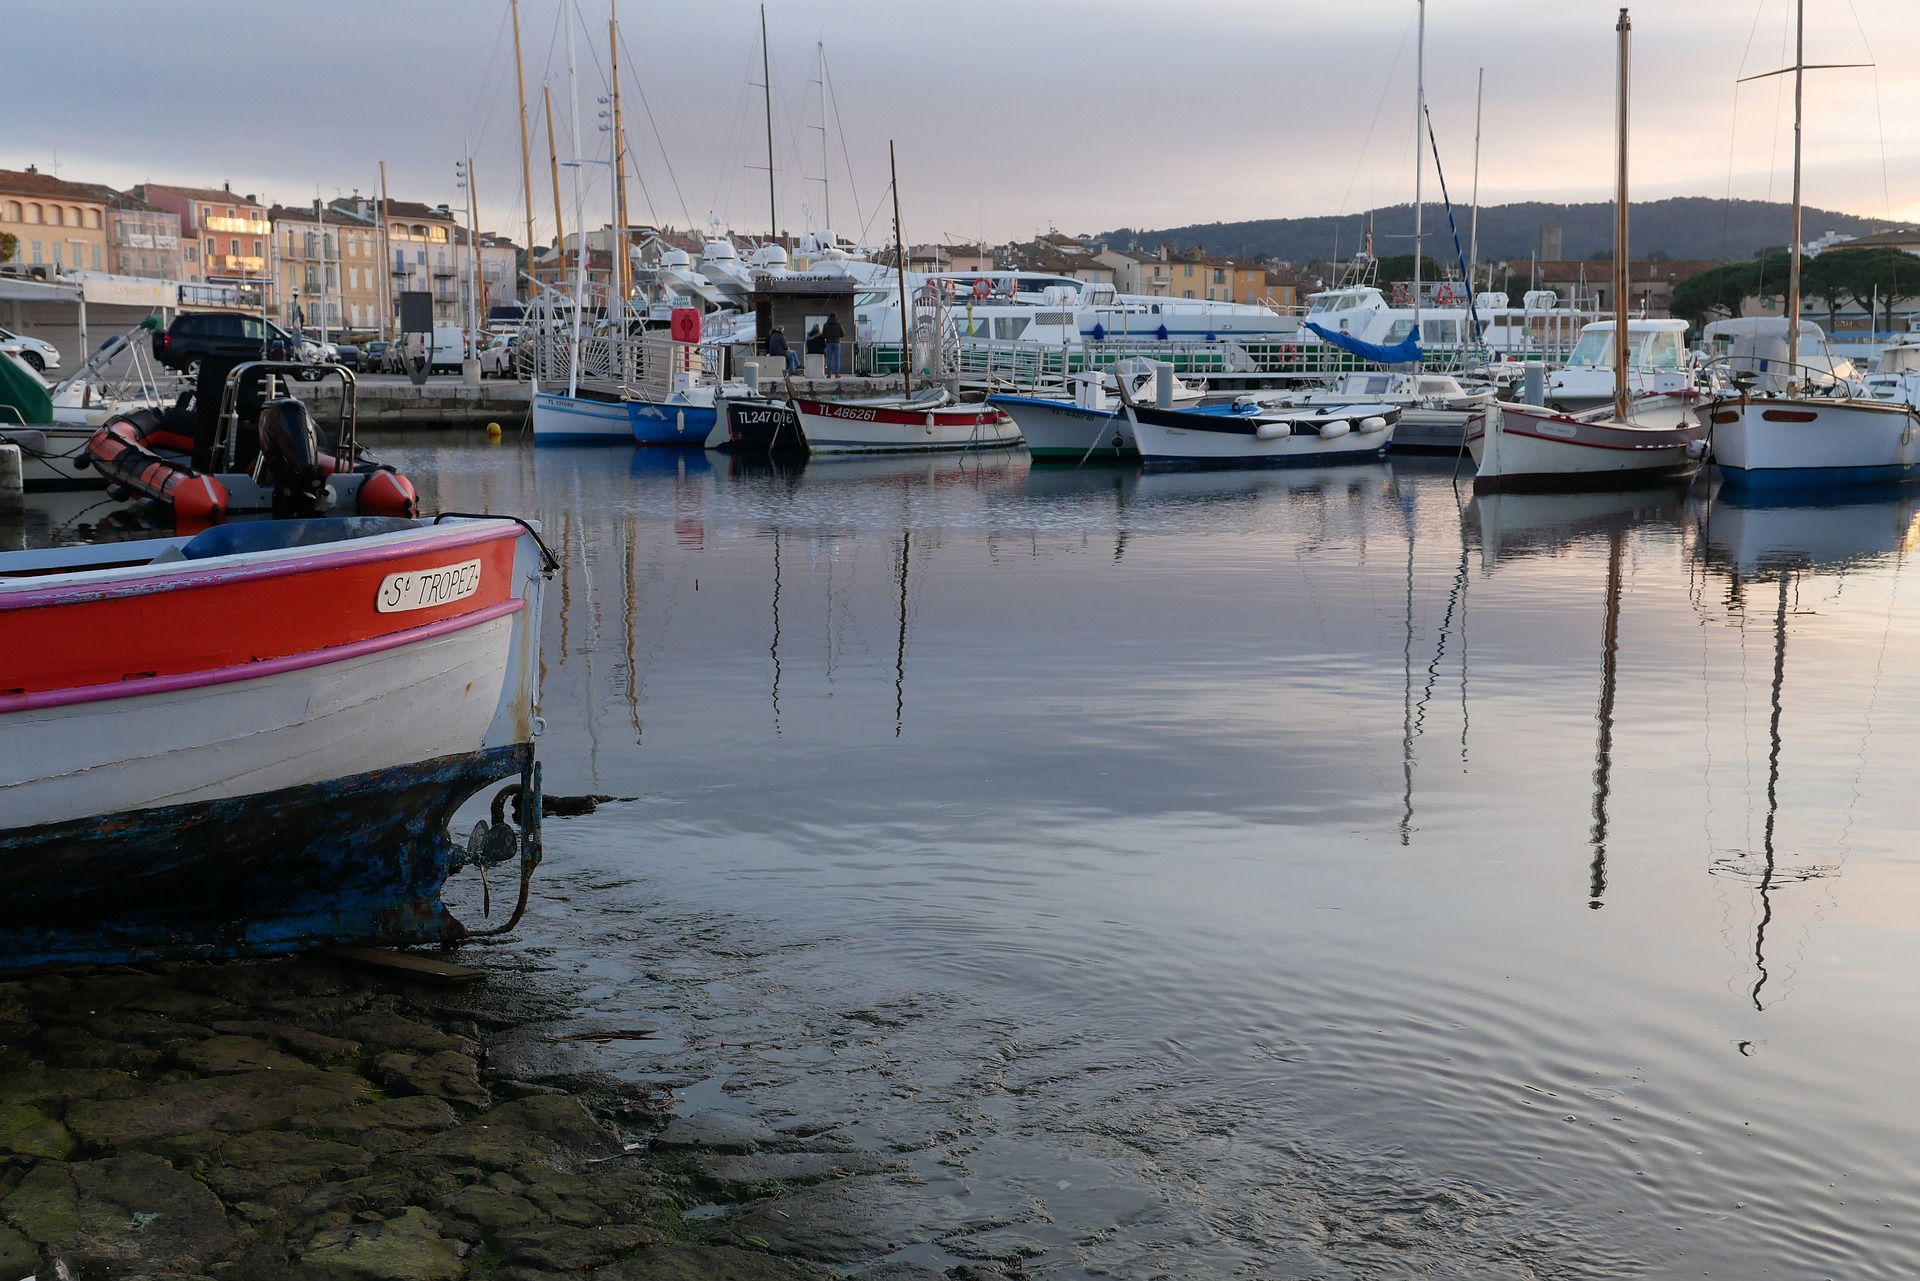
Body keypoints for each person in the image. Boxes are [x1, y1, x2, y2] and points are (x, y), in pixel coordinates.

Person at [821, 312, 844, 378]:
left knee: (829, 358)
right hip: (837, 342)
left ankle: (829, 374)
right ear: (836, 317)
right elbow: (843, 334)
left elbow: (823, 335)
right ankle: (837, 374)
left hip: (829, 342)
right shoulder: (839, 324)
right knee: (837, 358)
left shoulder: (826, 324)